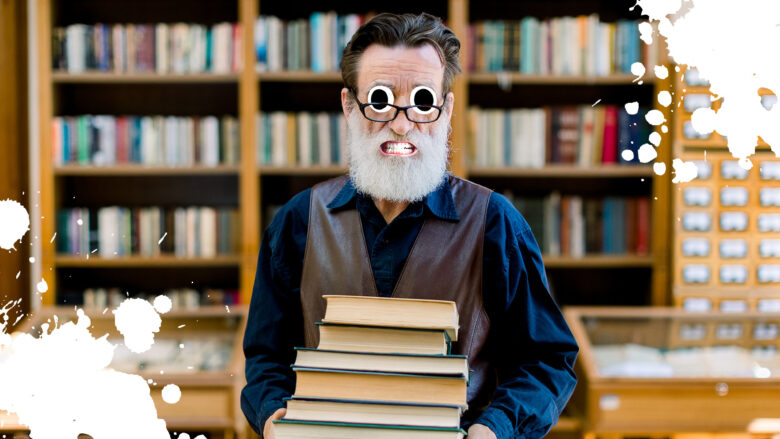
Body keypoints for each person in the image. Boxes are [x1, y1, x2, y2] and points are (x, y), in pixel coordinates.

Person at [241, 12, 578, 439]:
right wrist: (272, 418)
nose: (401, 123)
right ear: (349, 105)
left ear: (445, 110)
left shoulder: (496, 223)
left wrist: (494, 429)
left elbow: (547, 360)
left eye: (422, 102)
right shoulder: (297, 221)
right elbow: (265, 357)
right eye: (380, 101)